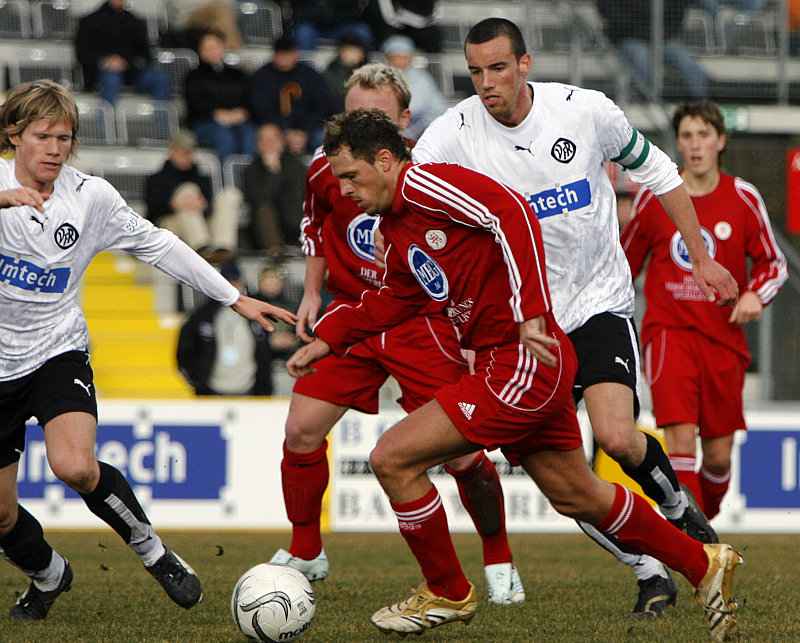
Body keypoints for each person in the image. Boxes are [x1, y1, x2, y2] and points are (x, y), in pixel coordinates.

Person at [287, 107, 742, 639]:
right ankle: (704, 564)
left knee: (391, 458)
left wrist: (530, 314)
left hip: (520, 359)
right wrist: (330, 337)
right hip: (514, 361)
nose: (344, 191)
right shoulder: (397, 224)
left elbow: (514, 214)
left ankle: (447, 591)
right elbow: (397, 297)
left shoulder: (427, 185)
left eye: (350, 176)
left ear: (385, 160)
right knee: (577, 494)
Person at [411, 17, 739, 617]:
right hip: (527, 326)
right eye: (476, 71)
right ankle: (648, 571)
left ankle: (676, 506)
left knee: (616, 436)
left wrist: (701, 257)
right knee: (565, 485)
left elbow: (659, 171)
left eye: (499, 68)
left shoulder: (585, 111)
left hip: (596, 302)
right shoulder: (454, 132)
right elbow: (408, 189)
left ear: (525, 64)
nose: (487, 83)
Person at [0, 79, 296, 621]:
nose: (55, 149)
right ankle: (48, 573)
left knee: (74, 466)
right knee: (0, 516)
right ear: (14, 135)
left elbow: (160, 245)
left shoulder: (90, 198)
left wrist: (234, 298)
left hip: (55, 350)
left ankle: (154, 552)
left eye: (65, 138)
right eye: (43, 136)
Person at [270, 63, 526, 606]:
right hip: (353, 315)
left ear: (402, 123)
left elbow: (483, 235)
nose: (357, 127)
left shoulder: (428, 175)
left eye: (374, 116)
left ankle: (498, 555)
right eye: (351, 114)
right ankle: (306, 549)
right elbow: (313, 224)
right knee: (301, 428)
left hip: (419, 318)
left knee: (460, 454)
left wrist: (477, 326)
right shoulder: (326, 167)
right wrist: (313, 291)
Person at [621, 101, 787, 520]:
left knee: (717, 458)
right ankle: (694, 544)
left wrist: (755, 295)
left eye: (704, 135)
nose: (695, 145)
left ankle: (701, 524)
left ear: (721, 141)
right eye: (687, 136)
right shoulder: (654, 198)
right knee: (679, 441)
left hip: (723, 340)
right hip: (668, 334)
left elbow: (773, 262)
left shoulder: (743, 197)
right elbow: (624, 264)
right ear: (677, 144)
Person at [177, 262, 283, 395]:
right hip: (211, 390)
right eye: (226, 282)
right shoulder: (202, 316)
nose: (231, 286)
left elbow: (266, 352)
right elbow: (185, 350)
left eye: (234, 281)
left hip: (250, 389)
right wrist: (197, 381)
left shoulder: (255, 314)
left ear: (242, 283)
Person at [145, 130, 241, 262]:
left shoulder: (201, 178)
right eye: (181, 151)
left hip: (202, 223)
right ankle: (201, 248)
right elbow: (152, 209)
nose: (185, 155)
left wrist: (202, 204)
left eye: (188, 151)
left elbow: (209, 206)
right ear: (171, 151)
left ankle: (222, 248)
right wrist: (174, 204)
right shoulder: (157, 179)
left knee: (230, 195)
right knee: (188, 191)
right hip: (171, 224)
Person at [596, 0, 709, 101]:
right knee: (642, 60)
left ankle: (703, 103)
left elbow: (677, 14)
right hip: (629, 37)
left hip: (663, 37)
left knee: (688, 63)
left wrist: (661, 32)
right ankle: (649, 103)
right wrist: (640, 31)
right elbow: (609, 10)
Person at [249, 36, 343, 153]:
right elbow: (260, 109)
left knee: (323, 137)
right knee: (261, 136)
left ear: (296, 53)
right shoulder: (262, 77)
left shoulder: (310, 75)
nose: (285, 59)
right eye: (281, 55)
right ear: (274, 55)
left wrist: (304, 131)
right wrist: (283, 131)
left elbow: (321, 106)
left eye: (288, 54)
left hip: (309, 128)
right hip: (274, 127)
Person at [75, 0, 170, 106]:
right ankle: (107, 116)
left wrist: (128, 63)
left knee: (160, 78)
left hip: (131, 72)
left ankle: (161, 116)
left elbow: (145, 54)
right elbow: (83, 53)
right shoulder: (90, 21)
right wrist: (105, 62)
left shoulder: (134, 22)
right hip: (101, 73)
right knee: (111, 79)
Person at [184, 29, 257, 165]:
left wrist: (241, 112)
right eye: (206, 48)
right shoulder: (193, 76)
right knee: (225, 137)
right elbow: (195, 104)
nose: (211, 52)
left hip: (239, 120)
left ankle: (248, 175)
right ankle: (227, 177)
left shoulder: (238, 74)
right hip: (205, 123)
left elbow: (249, 99)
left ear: (223, 47)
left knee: (250, 134)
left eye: (214, 47)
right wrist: (215, 114)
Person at [241, 123, 307, 257]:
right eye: (264, 140)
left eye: (273, 140)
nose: (269, 144)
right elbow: (259, 198)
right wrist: (274, 173)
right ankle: (275, 253)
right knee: (264, 207)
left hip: (295, 220)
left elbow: (301, 195)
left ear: (282, 142)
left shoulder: (296, 165)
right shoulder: (251, 170)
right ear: (257, 145)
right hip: (266, 227)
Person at [382, 34, 447, 140]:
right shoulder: (383, 76)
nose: (399, 61)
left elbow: (418, 107)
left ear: (410, 58)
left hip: (425, 120)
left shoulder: (420, 77)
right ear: (388, 58)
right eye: (395, 57)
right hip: (401, 120)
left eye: (403, 57)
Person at [290, 0, 374, 52]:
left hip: (343, 25)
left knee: (363, 32)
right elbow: (298, 10)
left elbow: (356, 10)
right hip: (313, 26)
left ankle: (359, 70)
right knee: (303, 33)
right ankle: (304, 70)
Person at [365, 0, 443, 53]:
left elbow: (426, 16)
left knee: (432, 35)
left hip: (415, 28)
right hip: (386, 28)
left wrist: (401, 16)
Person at [323, 33, 369, 101]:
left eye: (360, 51)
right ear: (342, 51)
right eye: (352, 50)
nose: (358, 54)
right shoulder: (331, 73)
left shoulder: (368, 72)